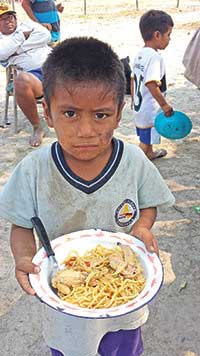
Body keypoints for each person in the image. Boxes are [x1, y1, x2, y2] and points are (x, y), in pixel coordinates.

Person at [0, 37, 175, 356]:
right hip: (64, 303)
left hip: (124, 299)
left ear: (119, 113)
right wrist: (23, 258)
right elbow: (23, 225)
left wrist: (144, 227)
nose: (85, 131)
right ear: (48, 113)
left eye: (100, 115)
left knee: (124, 348)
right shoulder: (33, 171)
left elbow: (148, 203)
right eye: (69, 113)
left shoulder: (133, 161)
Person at [0, 3, 51, 147]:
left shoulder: (27, 25)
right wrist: (22, 36)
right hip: (35, 76)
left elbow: (46, 36)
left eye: (10, 17)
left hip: (55, 66)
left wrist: (18, 49)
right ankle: (37, 127)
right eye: (3, 19)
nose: (8, 21)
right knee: (20, 82)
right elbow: (2, 52)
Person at [131, 9, 174, 160]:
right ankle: (138, 164)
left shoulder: (140, 54)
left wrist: (133, 102)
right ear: (157, 35)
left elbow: (133, 78)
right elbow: (151, 83)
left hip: (139, 105)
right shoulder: (155, 57)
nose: (170, 39)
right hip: (149, 108)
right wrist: (164, 105)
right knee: (145, 140)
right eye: (168, 35)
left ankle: (149, 153)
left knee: (146, 137)